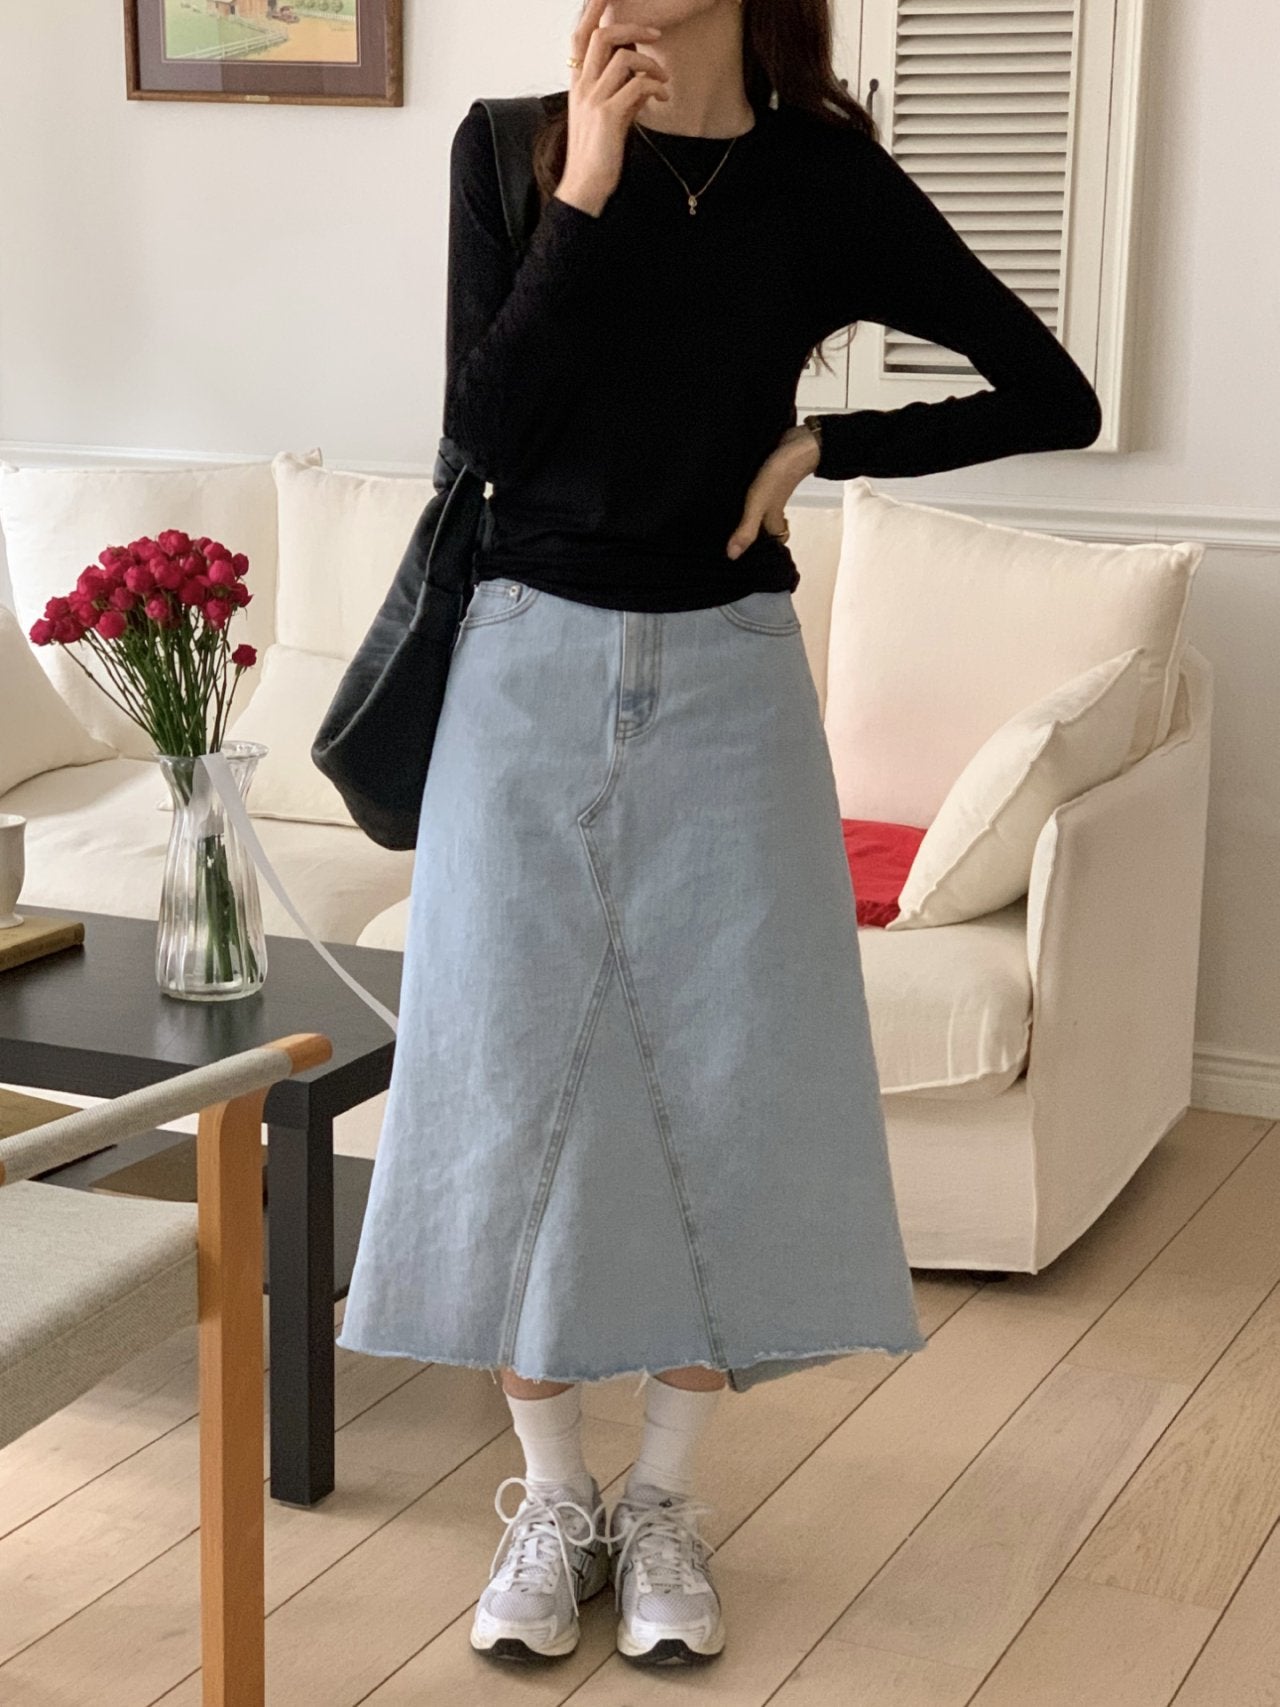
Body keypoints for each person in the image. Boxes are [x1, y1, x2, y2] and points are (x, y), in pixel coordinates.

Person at [336, 0, 1103, 1670]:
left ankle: (667, 1501)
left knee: (729, 1083)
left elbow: (1056, 393)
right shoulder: (512, 149)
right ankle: (552, 1497)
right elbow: (484, 436)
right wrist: (587, 189)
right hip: (523, 672)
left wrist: (828, 444)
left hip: (735, 683)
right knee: (510, 1080)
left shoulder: (824, 176)